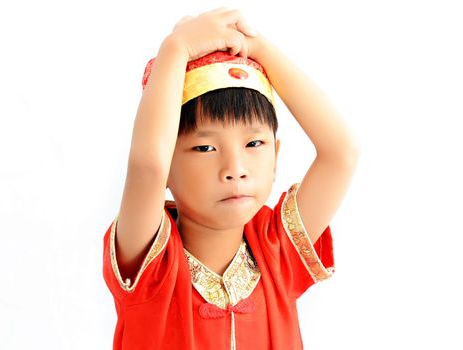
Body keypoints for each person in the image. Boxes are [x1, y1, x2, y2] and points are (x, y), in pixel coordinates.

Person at [102, 7, 360, 350]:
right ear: (167, 165)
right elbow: (147, 165)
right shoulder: (153, 266)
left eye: (254, 143)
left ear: (275, 158)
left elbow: (341, 152)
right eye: (205, 148)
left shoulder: (276, 251)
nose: (235, 168)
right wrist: (176, 49)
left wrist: (258, 48)